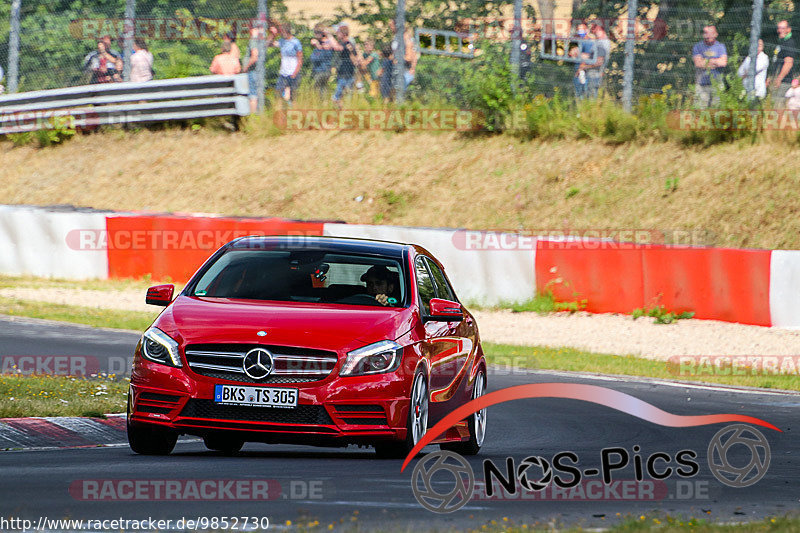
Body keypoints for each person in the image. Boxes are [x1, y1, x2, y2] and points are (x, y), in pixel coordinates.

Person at [692, 25, 727, 108]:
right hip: (702, 84)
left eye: (710, 33)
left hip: (717, 84)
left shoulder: (720, 47)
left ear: (715, 34)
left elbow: (723, 62)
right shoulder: (698, 47)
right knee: (700, 110)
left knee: (717, 110)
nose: (708, 36)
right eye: (706, 33)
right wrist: (716, 61)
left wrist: (707, 61)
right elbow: (698, 63)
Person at [268, 23, 303, 104]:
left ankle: (292, 110)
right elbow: (268, 44)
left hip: (292, 72)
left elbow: (300, 58)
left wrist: (295, 72)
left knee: (292, 96)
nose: (282, 33)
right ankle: (281, 110)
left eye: (283, 31)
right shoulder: (282, 41)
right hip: (283, 72)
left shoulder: (295, 42)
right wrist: (273, 35)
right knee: (278, 93)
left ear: (287, 31)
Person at [769, 20, 797, 106]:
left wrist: (779, 79)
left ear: (789, 29)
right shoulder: (782, 42)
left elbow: (788, 63)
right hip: (777, 80)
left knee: (777, 106)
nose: (780, 30)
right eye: (779, 28)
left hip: (784, 82)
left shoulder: (789, 43)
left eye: (783, 28)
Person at [330, 24, 359, 105]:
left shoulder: (347, 43)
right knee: (344, 94)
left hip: (346, 72)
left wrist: (329, 36)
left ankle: (343, 109)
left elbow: (337, 47)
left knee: (337, 96)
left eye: (338, 33)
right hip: (345, 71)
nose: (337, 35)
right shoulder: (347, 43)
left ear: (343, 34)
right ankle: (342, 110)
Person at [582, 21, 611, 99]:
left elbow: (599, 62)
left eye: (593, 28)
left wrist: (585, 67)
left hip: (595, 73)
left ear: (598, 28)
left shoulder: (602, 43)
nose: (592, 31)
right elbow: (594, 56)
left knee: (591, 97)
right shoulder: (598, 42)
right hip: (592, 73)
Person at [309, 24, 334, 97]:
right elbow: (313, 58)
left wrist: (318, 46)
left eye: (317, 33)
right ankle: (323, 103)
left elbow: (320, 57)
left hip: (323, 70)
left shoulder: (326, 43)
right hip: (319, 69)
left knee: (317, 88)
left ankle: (322, 102)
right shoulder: (319, 43)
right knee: (322, 89)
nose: (315, 35)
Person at [242, 26, 262, 113]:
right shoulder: (259, 41)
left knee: (252, 94)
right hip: (257, 71)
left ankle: (253, 115)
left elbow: (254, 57)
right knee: (256, 92)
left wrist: (245, 68)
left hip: (252, 71)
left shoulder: (253, 40)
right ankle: (257, 113)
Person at [572, 23, 593, 100]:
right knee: (578, 93)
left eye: (582, 29)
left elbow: (586, 58)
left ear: (587, 30)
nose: (580, 32)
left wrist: (579, 71)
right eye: (579, 30)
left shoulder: (588, 42)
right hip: (578, 69)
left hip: (583, 71)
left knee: (583, 93)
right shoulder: (580, 42)